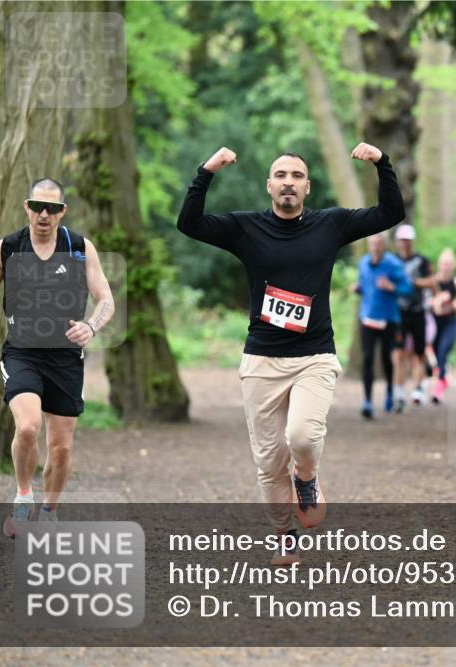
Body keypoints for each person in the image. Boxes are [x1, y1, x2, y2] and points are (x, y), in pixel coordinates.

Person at [177, 143, 404, 565]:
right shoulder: (246, 228)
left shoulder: (330, 224)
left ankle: (307, 476)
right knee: (268, 461)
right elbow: (188, 223)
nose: (288, 182)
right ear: (269, 185)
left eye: (296, 176)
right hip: (262, 360)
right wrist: (206, 171)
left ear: (307, 187)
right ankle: (284, 536)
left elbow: (390, 213)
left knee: (302, 436)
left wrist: (382, 163)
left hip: (314, 356)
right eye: (280, 175)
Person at [0, 178, 115, 536]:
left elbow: (106, 298)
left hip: (66, 357)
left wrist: (91, 326)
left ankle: (50, 511)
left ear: (62, 212)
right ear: (27, 207)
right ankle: (23, 499)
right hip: (22, 353)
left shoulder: (79, 247)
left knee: (61, 447)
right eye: (38, 206)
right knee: (27, 426)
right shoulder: (7, 248)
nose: (43, 214)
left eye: (52, 208)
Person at [354, 233, 411, 419]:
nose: (375, 247)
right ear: (368, 245)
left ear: (384, 245)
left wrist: (391, 287)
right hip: (367, 317)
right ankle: (367, 402)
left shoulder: (393, 264)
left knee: (386, 358)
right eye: (372, 243)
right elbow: (364, 285)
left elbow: (408, 288)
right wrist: (358, 288)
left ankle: (389, 394)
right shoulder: (363, 262)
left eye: (379, 243)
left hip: (388, 319)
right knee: (368, 358)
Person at [391, 224, 437, 410]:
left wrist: (414, 283)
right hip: (397, 313)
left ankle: (418, 388)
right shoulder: (391, 260)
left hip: (418, 311)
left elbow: (432, 282)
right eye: (402, 240)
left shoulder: (421, 260)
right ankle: (399, 394)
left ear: (412, 241)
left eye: (408, 240)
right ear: (397, 242)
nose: (405, 243)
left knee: (419, 353)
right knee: (399, 354)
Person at [429, 248, 456, 404]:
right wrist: (437, 301)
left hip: (451, 322)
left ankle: (439, 387)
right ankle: (444, 377)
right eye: (444, 263)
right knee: (437, 354)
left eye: (449, 264)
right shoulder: (432, 281)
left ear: (453, 266)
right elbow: (426, 300)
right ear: (439, 264)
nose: (446, 266)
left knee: (443, 350)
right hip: (435, 323)